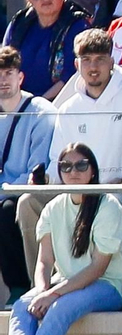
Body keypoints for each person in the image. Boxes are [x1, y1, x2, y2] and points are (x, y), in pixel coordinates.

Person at [0, 144, 122, 335]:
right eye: (66, 166)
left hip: (109, 286)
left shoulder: (109, 206)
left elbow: (97, 269)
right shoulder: (53, 207)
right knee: (23, 304)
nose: (74, 171)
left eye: (81, 165)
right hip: (65, 283)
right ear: (59, 172)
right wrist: (41, 290)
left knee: (60, 307)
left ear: (92, 171)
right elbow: (44, 260)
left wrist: (52, 294)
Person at [22, 31, 122, 277]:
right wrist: (44, 180)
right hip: (76, 190)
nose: (93, 67)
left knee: (109, 200)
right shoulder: (68, 108)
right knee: (27, 202)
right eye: (87, 59)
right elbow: (56, 163)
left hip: (121, 192)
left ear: (112, 62)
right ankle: (38, 285)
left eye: (100, 59)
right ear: (76, 64)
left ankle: (100, 289)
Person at [0, 47, 59, 304]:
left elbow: (38, 171)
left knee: (7, 210)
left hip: (31, 192)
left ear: (20, 77)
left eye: (8, 73)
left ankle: (19, 287)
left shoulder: (40, 112)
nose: (3, 80)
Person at [2, 0, 90, 101]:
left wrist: (37, 105)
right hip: (15, 103)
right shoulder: (19, 24)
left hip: (58, 104)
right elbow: (4, 65)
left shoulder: (78, 26)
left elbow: (72, 77)